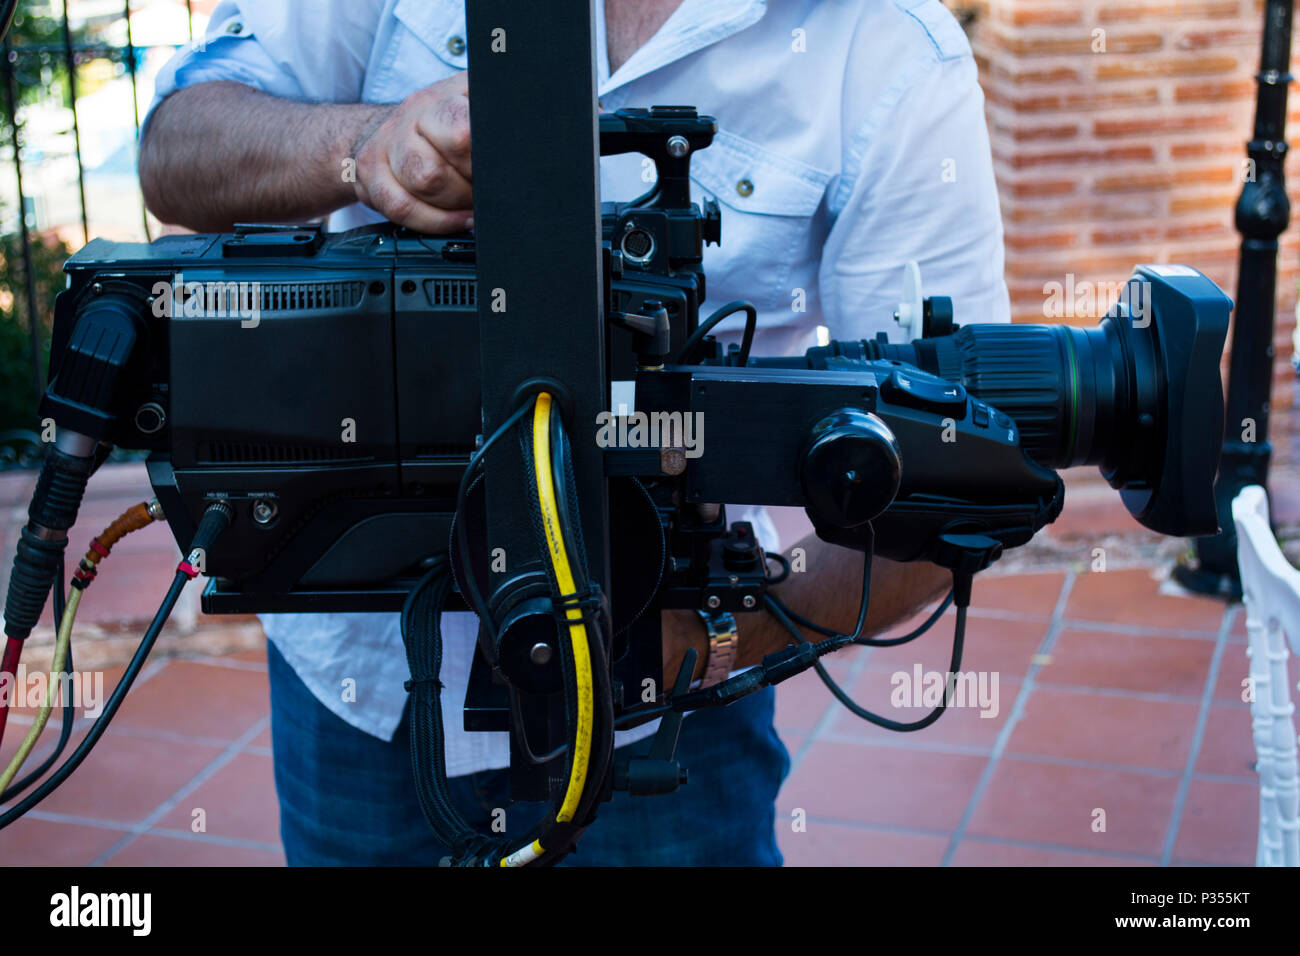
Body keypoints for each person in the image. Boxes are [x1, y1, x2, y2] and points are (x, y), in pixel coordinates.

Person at [138, 0, 1009, 865]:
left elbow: (950, 479)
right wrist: (364, 147)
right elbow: (177, 152)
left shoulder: (890, 45)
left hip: (666, 714)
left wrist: (712, 641)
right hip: (365, 688)